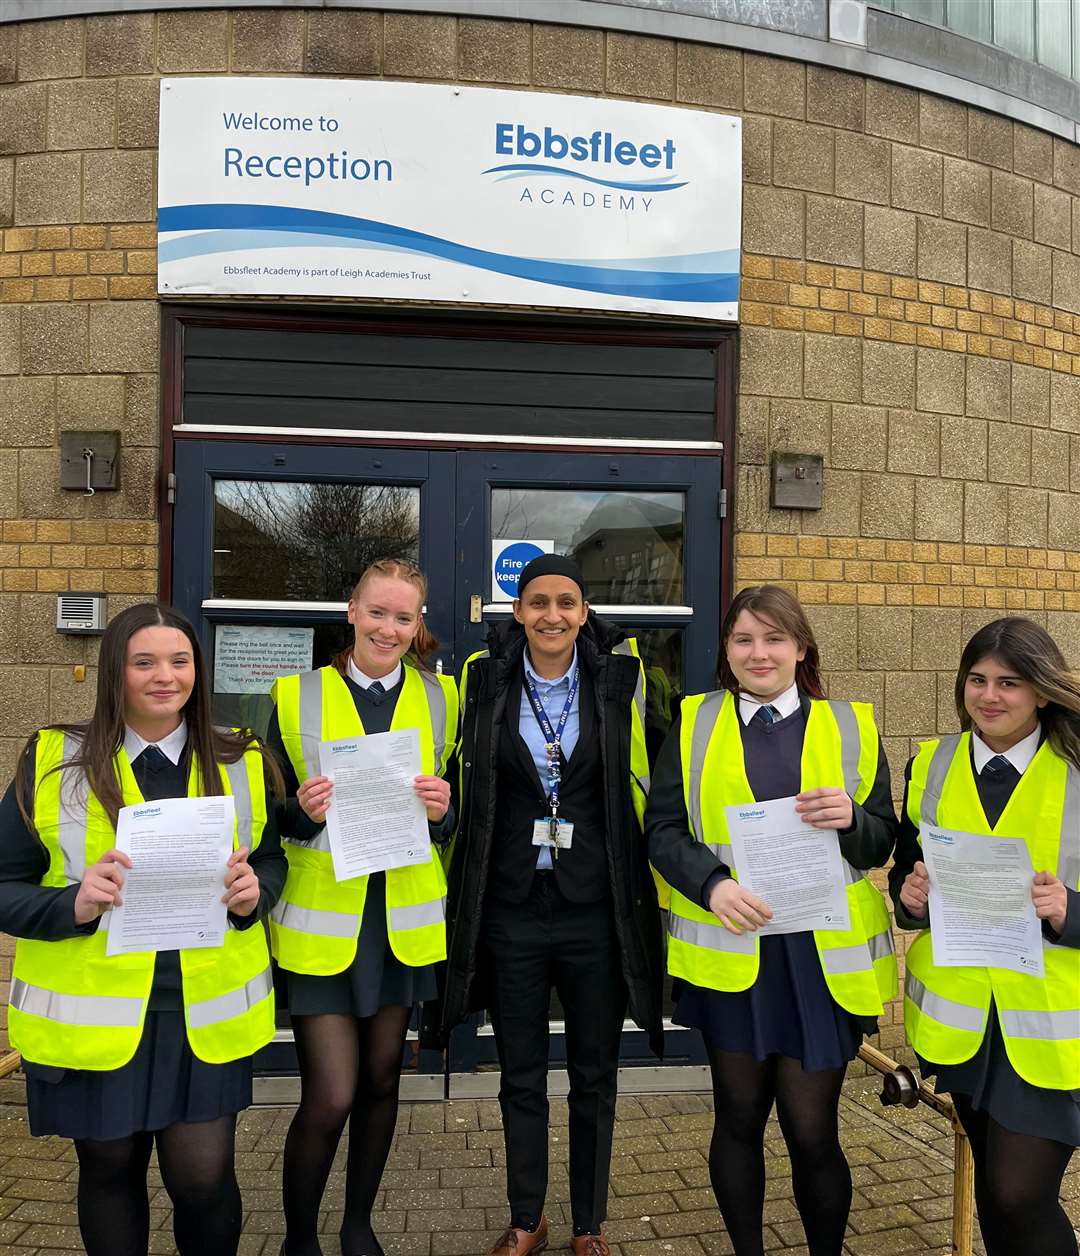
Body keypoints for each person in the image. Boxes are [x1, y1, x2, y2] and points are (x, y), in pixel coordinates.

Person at [0, 602, 286, 1256]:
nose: (166, 676)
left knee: (205, 1180)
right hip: (96, 1021)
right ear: (115, 673)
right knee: (108, 1174)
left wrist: (255, 892)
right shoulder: (54, 761)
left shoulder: (240, 759)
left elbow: (270, 858)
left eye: (180, 661)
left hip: (200, 1015)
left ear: (197, 670)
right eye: (144, 662)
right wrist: (71, 904)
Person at [646, 584, 898, 1256]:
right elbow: (663, 828)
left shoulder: (853, 725)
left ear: (801, 646)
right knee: (737, 1120)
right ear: (727, 650)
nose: (759, 653)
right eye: (744, 639)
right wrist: (711, 884)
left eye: (774, 638)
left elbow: (880, 843)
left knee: (813, 1132)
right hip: (734, 952)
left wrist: (852, 818)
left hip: (820, 961)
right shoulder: (694, 720)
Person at [438, 553, 664, 1256]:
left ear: (584, 612)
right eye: (538, 602)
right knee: (521, 1073)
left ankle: (589, 1225)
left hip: (594, 907)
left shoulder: (623, 681)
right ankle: (527, 1217)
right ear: (518, 612)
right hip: (511, 904)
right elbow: (459, 772)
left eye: (567, 602)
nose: (552, 616)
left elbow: (659, 778)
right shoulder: (483, 681)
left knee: (595, 1073)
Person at [268, 558, 458, 1256]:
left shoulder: (445, 698)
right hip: (325, 923)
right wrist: (299, 811)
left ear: (417, 626)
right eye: (377, 612)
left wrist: (443, 810)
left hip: (399, 922)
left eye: (403, 617)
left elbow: (450, 814)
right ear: (351, 611)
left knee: (382, 1083)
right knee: (332, 1094)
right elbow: (266, 817)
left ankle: (357, 1225)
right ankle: (297, 1239)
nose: (388, 627)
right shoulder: (292, 695)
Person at [890, 617, 1079, 1256]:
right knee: (994, 1197)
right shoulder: (932, 763)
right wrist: (909, 900)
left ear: (1044, 692)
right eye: (977, 680)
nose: (989, 696)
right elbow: (912, 874)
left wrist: (1068, 910)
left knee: (1021, 1192)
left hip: (1052, 1024)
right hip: (965, 1022)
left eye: (1010, 682)